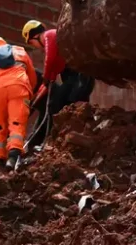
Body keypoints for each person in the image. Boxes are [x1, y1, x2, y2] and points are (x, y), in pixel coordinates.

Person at [22, 20, 96, 150]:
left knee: (72, 104)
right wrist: (45, 86)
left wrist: (46, 77)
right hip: (76, 76)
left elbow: (49, 61)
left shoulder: (49, 35)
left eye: (31, 43)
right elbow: (55, 70)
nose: (34, 46)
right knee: (62, 104)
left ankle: (79, 139)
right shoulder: (55, 44)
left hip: (80, 76)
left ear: (34, 35)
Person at [0, 36, 37, 169]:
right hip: (19, 86)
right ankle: (13, 156)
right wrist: (28, 93)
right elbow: (32, 77)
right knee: (17, 122)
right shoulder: (20, 51)